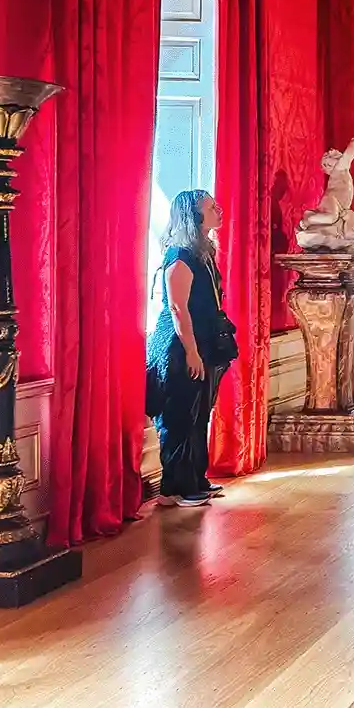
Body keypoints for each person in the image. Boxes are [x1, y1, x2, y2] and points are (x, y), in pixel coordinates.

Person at [146, 190, 236, 508]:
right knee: (179, 416)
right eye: (212, 207)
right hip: (179, 346)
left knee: (199, 415)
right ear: (194, 217)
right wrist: (191, 352)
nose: (219, 210)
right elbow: (177, 307)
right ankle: (176, 488)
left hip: (203, 342)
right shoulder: (180, 255)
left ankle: (196, 478)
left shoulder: (203, 253)